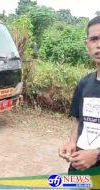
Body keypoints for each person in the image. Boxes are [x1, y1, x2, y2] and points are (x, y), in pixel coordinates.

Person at [59, 16, 100, 175]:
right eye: (94, 39)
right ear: (87, 45)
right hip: (79, 167)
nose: (99, 45)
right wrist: (71, 142)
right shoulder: (84, 83)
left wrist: (96, 154)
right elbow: (78, 119)